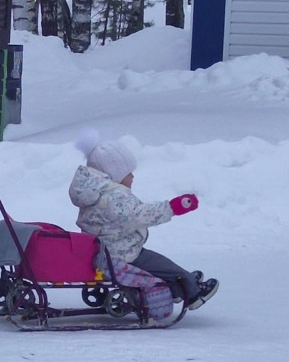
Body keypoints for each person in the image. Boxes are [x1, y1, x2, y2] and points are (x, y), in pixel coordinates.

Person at [69, 133, 218, 310]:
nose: (133, 177)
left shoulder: (94, 192)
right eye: (128, 173)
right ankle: (192, 293)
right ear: (114, 173)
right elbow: (140, 215)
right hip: (124, 254)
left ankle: (177, 287)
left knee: (157, 266)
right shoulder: (114, 196)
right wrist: (172, 207)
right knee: (165, 267)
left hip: (106, 251)